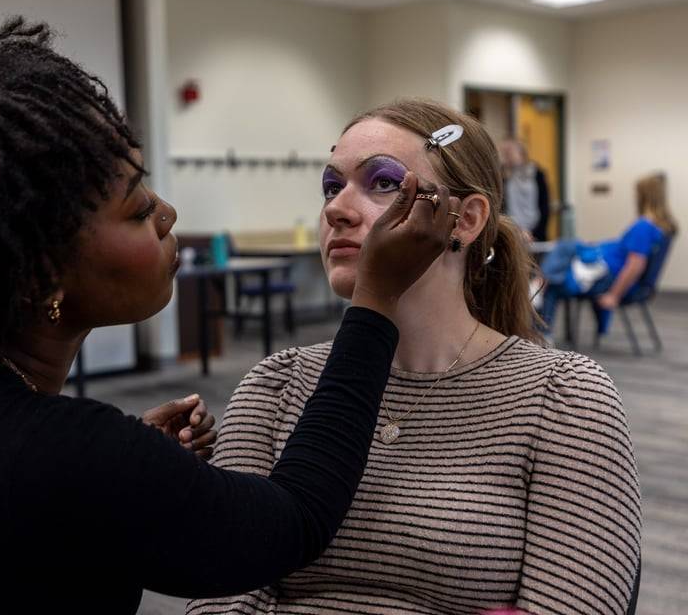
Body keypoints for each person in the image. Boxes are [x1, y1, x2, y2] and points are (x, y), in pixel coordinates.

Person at [0, 20, 459, 614]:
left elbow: (7, 503)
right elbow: (292, 522)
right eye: (139, 211)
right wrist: (376, 300)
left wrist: (121, 477)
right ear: (40, 275)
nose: (169, 215)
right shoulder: (67, 454)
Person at [189, 99, 641, 615]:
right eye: (331, 187)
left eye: (382, 182)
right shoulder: (274, 386)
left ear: (465, 220)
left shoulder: (564, 397)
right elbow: (221, 597)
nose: (336, 208)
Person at [539, 172, 678, 334]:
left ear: (645, 196)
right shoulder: (660, 226)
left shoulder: (644, 226)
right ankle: (542, 281)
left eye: (637, 194)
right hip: (605, 267)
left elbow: (635, 265)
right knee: (566, 248)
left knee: (554, 280)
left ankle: (543, 333)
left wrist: (614, 295)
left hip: (607, 275)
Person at [499, 138, 550, 241]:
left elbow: (544, 205)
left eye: (509, 152)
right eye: (504, 153)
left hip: (535, 231)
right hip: (511, 231)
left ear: (521, 153)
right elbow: (500, 207)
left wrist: (534, 232)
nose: (506, 157)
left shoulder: (536, 173)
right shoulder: (502, 175)